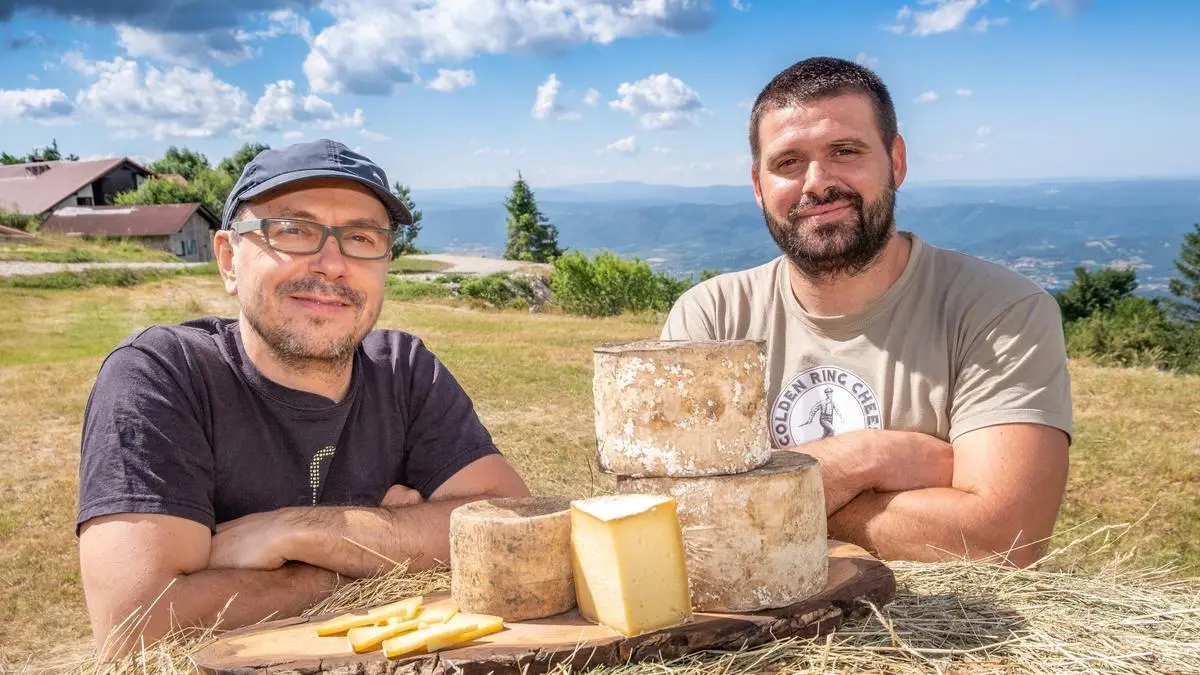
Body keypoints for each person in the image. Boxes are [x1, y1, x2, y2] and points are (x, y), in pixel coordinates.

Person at [76, 140, 530, 657]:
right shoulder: (163, 374)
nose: (332, 264)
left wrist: (292, 532)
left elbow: (511, 526)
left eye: (361, 237)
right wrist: (364, 561)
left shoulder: (403, 369)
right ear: (228, 259)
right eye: (293, 230)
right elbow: (136, 623)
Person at [661, 57, 1071, 568]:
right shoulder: (711, 319)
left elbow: (1004, 540)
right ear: (757, 185)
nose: (816, 182)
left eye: (845, 151)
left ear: (896, 161)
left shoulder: (998, 311)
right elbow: (680, 516)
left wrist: (758, 503)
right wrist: (869, 458)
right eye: (788, 162)